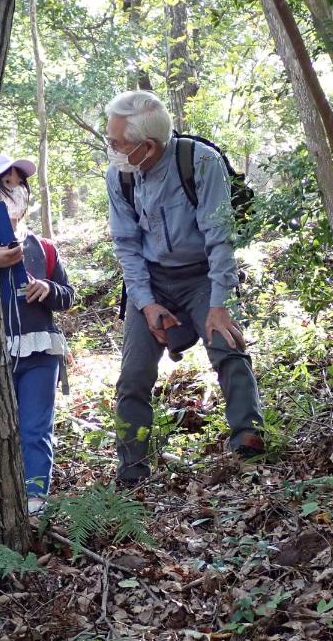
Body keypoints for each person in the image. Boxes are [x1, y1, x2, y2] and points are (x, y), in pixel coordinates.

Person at [104, 91, 265, 487]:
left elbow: (220, 237)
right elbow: (126, 245)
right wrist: (145, 304)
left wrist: (220, 302)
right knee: (134, 374)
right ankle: (132, 470)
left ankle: (248, 435)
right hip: (152, 280)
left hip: (202, 274)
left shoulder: (199, 163)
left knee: (227, 344)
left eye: (116, 143)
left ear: (148, 147)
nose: (111, 149)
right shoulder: (119, 177)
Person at [0, 154, 75, 514]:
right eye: (6, 184)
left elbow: (68, 294)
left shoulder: (43, 247)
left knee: (35, 427)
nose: (15, 192)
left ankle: (36, 499)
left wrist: (47, 288)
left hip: (40, 348)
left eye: (18, 185)